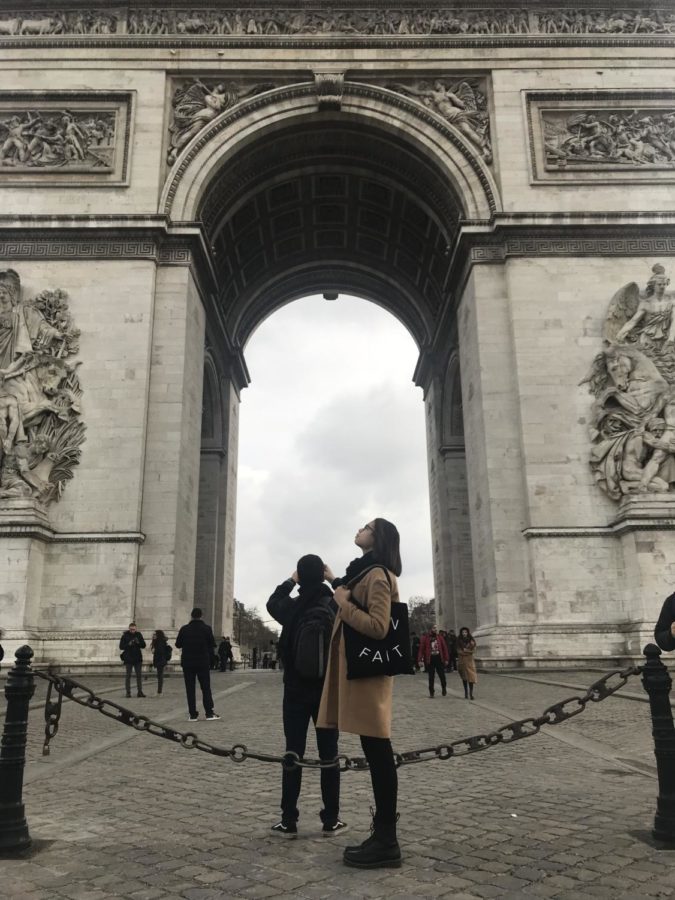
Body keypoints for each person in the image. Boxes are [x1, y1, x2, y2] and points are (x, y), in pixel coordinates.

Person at [318, 518, 403, 869]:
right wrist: (332, 579)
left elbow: (378, 627)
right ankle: (383, 835)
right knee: (375, 749)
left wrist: (342, 603)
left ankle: (386, 839)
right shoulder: (364, 572)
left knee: (379, 752)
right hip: (360, 673)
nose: (359, 528)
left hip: (367, 675)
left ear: (377, 537)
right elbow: (349, 592)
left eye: (366, 526)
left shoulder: (378, 575)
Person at [266, 554, 345, 837]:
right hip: (328, 691)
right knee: (329, 755)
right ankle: (331, 819)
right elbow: (354, 599)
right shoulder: (335, 604)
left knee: (293, 752)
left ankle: (288, 819)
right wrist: (333, 579)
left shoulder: (292, 607)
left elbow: (271, 602)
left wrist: (291, 581)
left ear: (300, 575)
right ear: (321, 575)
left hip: (296, 690)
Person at [175, 607, 220, 721]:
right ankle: (209, 713)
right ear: (201, 616)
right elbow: (212, 644)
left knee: (190, 689)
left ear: (191, 616)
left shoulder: (184, 629)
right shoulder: (207, 628)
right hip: (202, 662)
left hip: (188, 662)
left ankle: (193, 714)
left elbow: (178, 644)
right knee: (206, 688)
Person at [418, 625, 448, 697]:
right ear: (430, 629)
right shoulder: (425, 638)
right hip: (430, 659)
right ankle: (431, 692)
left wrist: (446, 659)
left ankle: (444, 688)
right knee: (431, 677)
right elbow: (421, 650)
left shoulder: (440, 637)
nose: (436, 629)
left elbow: (445, 649)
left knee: (442, 676)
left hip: (439, 658)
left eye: (436, 628)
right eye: (434, 628)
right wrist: (419, 660)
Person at [119, 623, 146, 698]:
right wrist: (129, 644)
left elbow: (144, 645)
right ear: (129, 628)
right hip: (128, 659)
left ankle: (140, 692)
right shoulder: (125, 635)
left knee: (139, 676)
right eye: (131, 629)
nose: (132, 631)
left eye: (133, 629)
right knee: (128, 676)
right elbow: (121, 647)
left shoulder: (139, 635)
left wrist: (138, 642)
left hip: (137, 658)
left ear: (136, 629)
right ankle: (128, 692)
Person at [457, 627, 477, 699]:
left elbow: (474, 651)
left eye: (465, 632)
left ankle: (471, 694)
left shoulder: (472, 641)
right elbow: (459, 651)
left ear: (468, 633)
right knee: (464, 677)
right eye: (463, 632)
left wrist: (466, 651)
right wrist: (467, 652)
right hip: (462, 661)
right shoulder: (459, 640)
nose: (464, 633)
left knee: (471, 677)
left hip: (469, 661)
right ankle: (466, 692)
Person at [150, 629, 172, 694]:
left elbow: (160, 651)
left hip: (160, 660)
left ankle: (159, 691)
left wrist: (154, 651)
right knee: (159, 676)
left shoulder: (160, 642)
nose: (153, 635)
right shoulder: (158, 641)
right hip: (160, 660)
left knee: (160, 676)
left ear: (158, 635)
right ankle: (159, 691)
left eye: (155, 634)